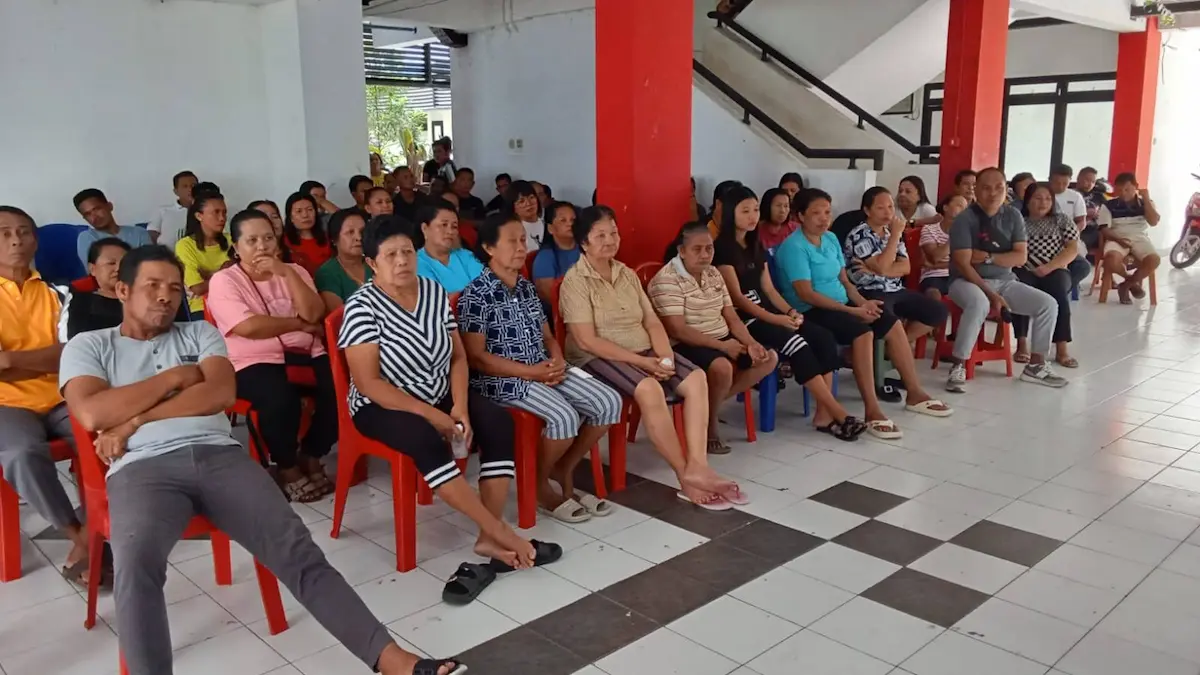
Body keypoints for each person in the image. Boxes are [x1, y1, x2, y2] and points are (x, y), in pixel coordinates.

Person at [60, 245, 464, 675]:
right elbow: (93, 413)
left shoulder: (199, 334)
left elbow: (220, 394)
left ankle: (393, 661)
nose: (166, 296)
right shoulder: (90, 345)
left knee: (298, 550)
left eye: (175, 288)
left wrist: (134, 419)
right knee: (136, 563)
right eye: (153, 286)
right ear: (122, 290)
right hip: (143, 469)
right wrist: (176, 378)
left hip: (220, 458)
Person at [340, 217, 557, 584]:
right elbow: (369, 382)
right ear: (372, 263)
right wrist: (432, 415)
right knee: (423, 438)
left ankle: (488, 538)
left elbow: (457, 357)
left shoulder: (432, 291)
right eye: (390, 255)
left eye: (407, 252)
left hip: (438, 389)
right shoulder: (362, 306)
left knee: (497, 422)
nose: (402, 261)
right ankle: (501, 532)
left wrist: (458, 406)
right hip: (383, 403)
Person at [560, 205, 744, 507]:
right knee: (649, 389)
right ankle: (685, 476)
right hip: (596, 357)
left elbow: (652, 322)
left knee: (696, 378)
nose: (610, 240)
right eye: (600, 235)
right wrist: (643, 363)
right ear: (584, 242)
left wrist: (665, 358)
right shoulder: (575, 281)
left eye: (613, 233)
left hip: (642, 349)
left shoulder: (626, 274)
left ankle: (698, 467)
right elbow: (586, 340)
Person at [460, 213, 622, 522]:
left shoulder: (525, 287)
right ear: (489, 248)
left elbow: (547, 336)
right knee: (564, 416)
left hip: (543, 368)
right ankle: (537, 484)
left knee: (609, 402)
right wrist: (531, 373)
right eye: (511, 242)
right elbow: (477, 358)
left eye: (523, 240)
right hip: (503, 379)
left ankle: (562, 469)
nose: (521, 247)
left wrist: (557, 357)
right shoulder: (476, 295)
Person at [776, 189, 953, 440]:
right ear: (801, 216)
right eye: (816, 213)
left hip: (843, 303)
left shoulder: (830, 238)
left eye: (827, 212)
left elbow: (845, 281)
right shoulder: (794, 246)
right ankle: (872, 409)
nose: (824, 218)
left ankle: (915, 393)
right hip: (812, 310)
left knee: (889, 322)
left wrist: (863, 303)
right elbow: (806, 294)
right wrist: (852, 310)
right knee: (863, 333)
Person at [713, 187, 864, 441]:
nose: (752, 216)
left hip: (768, 313)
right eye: (745, 211)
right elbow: (738, 299)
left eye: (755, 210)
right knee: (798, 345)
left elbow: (769, 289)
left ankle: (823, 414)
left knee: (822, 338)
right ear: (730, 213)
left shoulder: (754, 244)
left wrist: (790, 312)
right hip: (744, 319)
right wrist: (777, 319)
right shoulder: (722, 249)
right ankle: (838, 413)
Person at [207, 210, 336, 502]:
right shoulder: (224, 281)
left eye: (267, 238)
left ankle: (311, 454)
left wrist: (286, 273)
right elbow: (249, 327)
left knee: (343, 392)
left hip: (306, 353)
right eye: (252, 240)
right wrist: (299, 324)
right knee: (279, 398)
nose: (262, 246)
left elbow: (314, 313)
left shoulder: (295, 271)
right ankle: (286, 466)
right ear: (236, 246)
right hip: (254, 360)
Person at [0, 206, 95, 586]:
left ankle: (95, 524)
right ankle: (78, 535)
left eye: (24, 231)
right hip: (7, 403)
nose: (16, 240)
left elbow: (71, 353)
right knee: (22, 453)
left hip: (61, 394)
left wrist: (9, 359)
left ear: (35, 240)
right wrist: (45, 359)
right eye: (5, 233)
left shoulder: (60, 293)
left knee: (107, 435)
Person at [649, 223, 779, 453]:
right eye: (697, 249)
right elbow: (678, 330)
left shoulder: (713, 273)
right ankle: (710, 428)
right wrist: (724, 347)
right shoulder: (666, 280)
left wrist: (751, 343)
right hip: (685, 343)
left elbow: (731, 317)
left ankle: (704, 410)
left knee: (768, 358)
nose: (704, 255)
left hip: (721, 337)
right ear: (682, 251)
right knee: (722, 368)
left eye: (709, 248)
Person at [947, 167, 1067, 391]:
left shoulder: (1013, 216)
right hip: (965, 282)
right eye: (986, 188)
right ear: (976, 190)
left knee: (1048, 304)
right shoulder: (965, 219)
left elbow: (1020, 257)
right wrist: (991, 294)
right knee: (979, 303)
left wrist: (989, 257)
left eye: (999, 188)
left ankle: (1036, 365)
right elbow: (963, 263)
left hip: (1005, 281)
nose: (993, 193)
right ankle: (958, 365)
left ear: (1006, 190)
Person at [844, 187, 949, 345]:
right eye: (880, 208)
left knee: (938, 311)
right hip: (868, 290)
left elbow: (905, 268)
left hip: (894, 288)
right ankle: (896, 347)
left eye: (890, 207)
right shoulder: (860, 234)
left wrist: (880, 269)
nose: (887, 212)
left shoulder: (890, 232)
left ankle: (895, 347)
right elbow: (882, 267)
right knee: (888, 319)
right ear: (867, 210)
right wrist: (894, 238)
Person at [1014, 183, 1089, 368]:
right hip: (1025, 268)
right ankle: (1022, 344)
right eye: (1038, 198)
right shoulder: (1018, 221)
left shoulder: (1061, 220)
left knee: (1059, 295)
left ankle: (1062, 349)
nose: (1043, 203)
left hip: (1055, 268)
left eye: (1048, 199)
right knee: (1020, 290)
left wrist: (1049, 267)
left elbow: (1072, 249)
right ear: (1028, 201)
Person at [68, 238, 187, 338]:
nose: (118, 269)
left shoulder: (162, 296)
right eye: (111, 263)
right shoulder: (81, 301)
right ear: (92, 269)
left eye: (123, 263)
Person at [1097, 172, 1161, 304]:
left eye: (1127, 189)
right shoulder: (1108, 205)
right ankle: (1132, 283)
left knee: (1154, 260)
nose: (1123, 193)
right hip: (1116, 237)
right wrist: (1119, 240)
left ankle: (1125, 285)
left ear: (1136, 186)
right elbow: (1105, 229)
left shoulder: (1146, 203)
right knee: (1111, 260)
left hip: (1139, 237)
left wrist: (1146, 199)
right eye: (1119, 190)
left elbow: (1154, 222)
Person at [175, 191, 232, 317]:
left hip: (233, 300)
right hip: (202, 306)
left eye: (224, 212)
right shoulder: (185, 245)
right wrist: (224, 272)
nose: (222, 218)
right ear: (199, 216)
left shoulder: (232, 240)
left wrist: (208, 277)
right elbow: (197, 289)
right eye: (216, 212)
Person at [416, 201, 484, 293]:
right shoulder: (415, 263)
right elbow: (435, 297)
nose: (450, 231)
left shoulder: (466, 256)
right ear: (425, 228)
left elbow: (485, 288)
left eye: (454, 226)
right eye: (444, 225)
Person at [73, 189, 152, 267]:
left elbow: (151, 265)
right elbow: (96, 271)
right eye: (87, 214)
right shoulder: (86, 237)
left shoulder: (139, 233)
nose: (94, 217)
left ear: (110, 206)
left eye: (97, 209)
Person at [316, 208, 372, 312]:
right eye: (350, 232)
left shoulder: (375, 263)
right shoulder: (327, 273)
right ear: (334, 239)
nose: (359, 237)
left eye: (362, 231)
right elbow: (339, 316)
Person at [920, 195, 968, 300]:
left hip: (958, 275)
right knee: (933, 293)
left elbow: (968, 262)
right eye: (959, 205)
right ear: (945, 207)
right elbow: (935, 257)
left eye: (966, 208)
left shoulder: (968, 232)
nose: (964, 211)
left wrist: (936, 265)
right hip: (934, 276)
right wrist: (955, 235)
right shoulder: (929, 229)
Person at [531, 201, 581, 302]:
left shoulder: (587, 249)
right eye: (563, 220)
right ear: (550, 228)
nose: (570, 224)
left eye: (573, 220)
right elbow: (550, 297)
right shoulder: (544, 258)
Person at [282, 192, 333, 276]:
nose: (305, 215)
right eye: (299, 211)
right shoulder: (284, 242)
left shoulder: (328, 238)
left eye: (310, 210)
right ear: (290, 217)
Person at [146, 170, 197, 248]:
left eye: (193, 185)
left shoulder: (206, 212)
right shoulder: (163, 211)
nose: (190, 189)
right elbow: (151, 234)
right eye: (185, 186)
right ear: (176, 191)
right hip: (166, 253)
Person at [1075, 166, 1107, 255]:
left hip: (1094, 230)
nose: (1090, 184)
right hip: (1076, 228)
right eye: (1087, 180)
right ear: (1078, 178)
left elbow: (1109, 211)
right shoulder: (1072, 194)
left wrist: (1100, 214)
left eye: (1093, 182)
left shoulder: (1098, 196)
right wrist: (1085, 213)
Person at [1049, 164, 1087, 235]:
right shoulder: (1041, 194)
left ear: (1070, 180)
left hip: (1069, 233)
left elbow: (1082, 221)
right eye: (1057, 183)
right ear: (1050, 180)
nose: (1060, 186)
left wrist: (1071, 234)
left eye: (1065, 183)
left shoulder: (1076, 196)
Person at [507, 180, 545, 250]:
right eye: (521, 201)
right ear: (513, 207)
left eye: (531, 197)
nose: (528, 203)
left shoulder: (548, 225)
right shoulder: (512, 231)